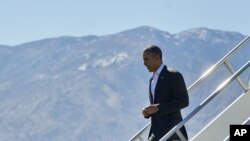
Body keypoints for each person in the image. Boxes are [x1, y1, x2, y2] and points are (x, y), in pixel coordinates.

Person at [142, 45, 189, 141]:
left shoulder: (173, 75)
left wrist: (158, 108)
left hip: (172, 133)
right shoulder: (152, 80)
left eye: (146, 59)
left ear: (157, 58)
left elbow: (183, 101)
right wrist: (147, 112)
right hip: (156, 133)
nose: (144, 63)